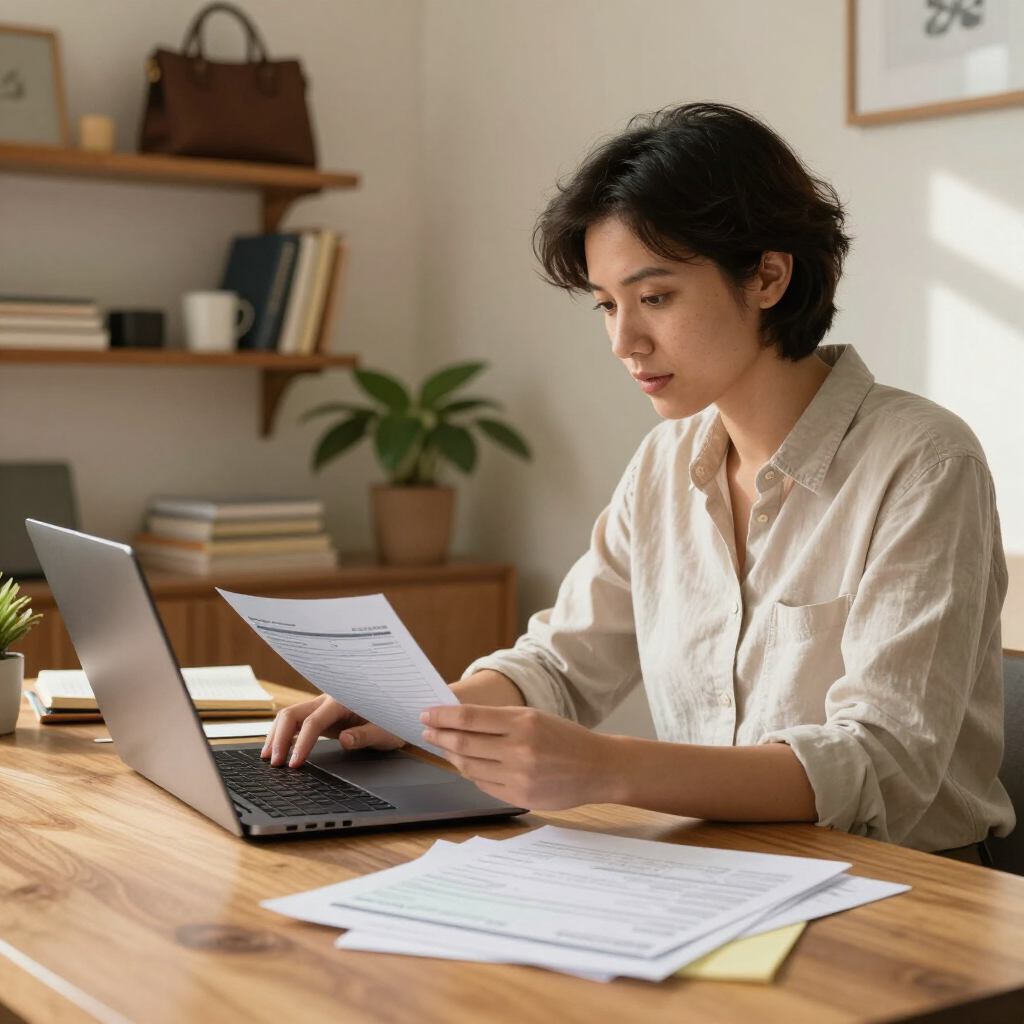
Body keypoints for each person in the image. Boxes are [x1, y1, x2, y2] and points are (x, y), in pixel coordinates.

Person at [263, 102, 1014, 858]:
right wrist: (414, 711)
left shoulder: (923, 464)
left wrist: (606, 768)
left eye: (654, 297)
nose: (624, 341)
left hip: (907, 894)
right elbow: (561, 664)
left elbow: (884, 763)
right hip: (722, 869)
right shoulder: (665, 464)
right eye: (606, 304)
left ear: (769, 276)